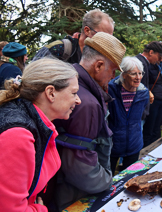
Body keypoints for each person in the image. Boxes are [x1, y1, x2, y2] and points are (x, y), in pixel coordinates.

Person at [53, 32, 126, 210]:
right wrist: (107, 180)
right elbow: (79, 166)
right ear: (99, 65)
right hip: (74, 193)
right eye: (113, 70)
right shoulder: (87, 104)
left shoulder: (71, 80)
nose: (114, 76)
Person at [0, 58, 81, 212]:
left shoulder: (30, 119)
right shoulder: (18, 136)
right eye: (74, 93)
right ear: (51, 93)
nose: (78, 100)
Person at [108, 56, 149, 175]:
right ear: (124, 74)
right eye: (134, 74)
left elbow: (143, 113)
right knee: (108, 178)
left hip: (134, 143)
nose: (138, 77)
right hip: (113, 143)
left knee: (129, 178)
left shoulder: (143, 93)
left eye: (140, 73)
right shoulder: (111, 90)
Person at [33, 9, 114, 64]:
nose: (107, 40)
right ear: (87, 31)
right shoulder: (59, 49)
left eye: (110, 38)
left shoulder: (99, 57)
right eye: (104, 35)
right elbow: (32, 77)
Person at [143, 43, 162, 147]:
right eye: (161, 55)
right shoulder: (150, 65)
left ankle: (154, 147)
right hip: (153, 101)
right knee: (149, 127)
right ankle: (146, 148)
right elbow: (145, 82)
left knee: (157, 127)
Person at [136, 41, 162, 123]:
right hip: (137, 110)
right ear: (151, 52)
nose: (159, 59)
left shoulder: (145, 63)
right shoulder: (140, 63)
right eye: (158, 56)